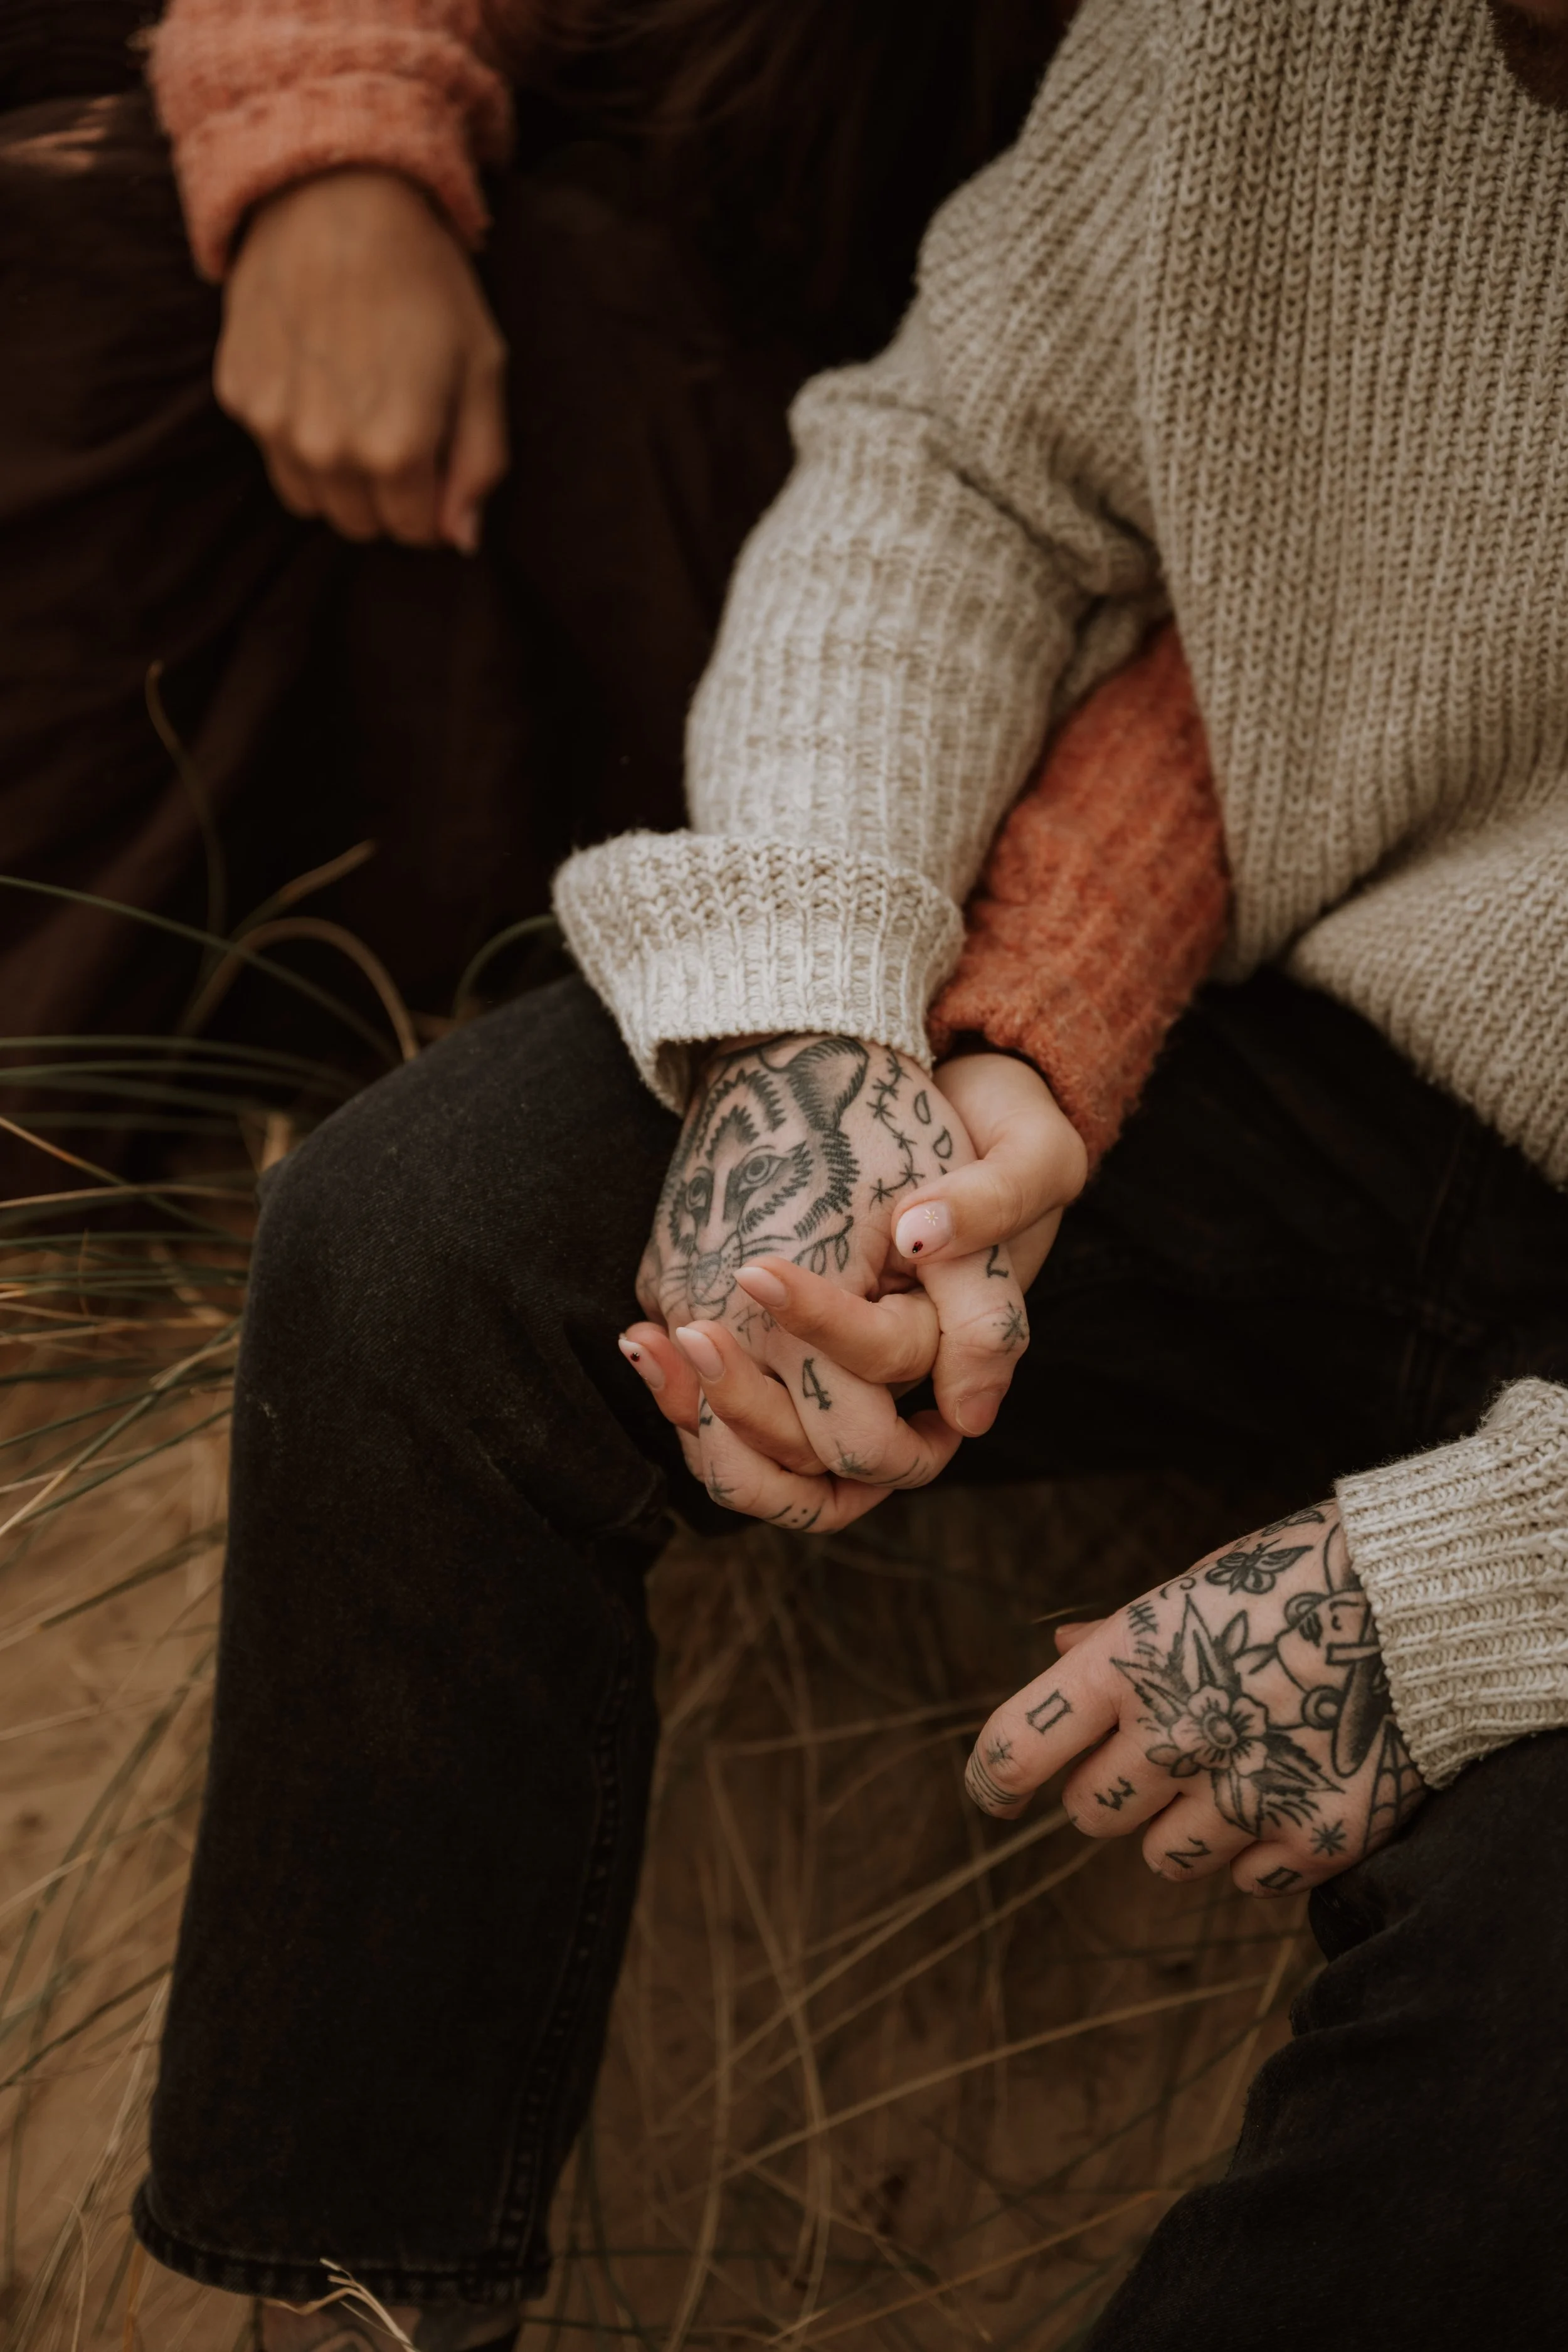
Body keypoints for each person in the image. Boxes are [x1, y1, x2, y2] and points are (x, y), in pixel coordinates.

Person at [133, 1, 1568, 2345]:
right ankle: (353, 2311)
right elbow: (971, 469)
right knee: (425, 1247)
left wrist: (1472, 1586)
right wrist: (808, 1019)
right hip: (1358, 1049)